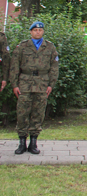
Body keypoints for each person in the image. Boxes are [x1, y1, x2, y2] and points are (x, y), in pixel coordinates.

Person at [9, 21, 58, 155]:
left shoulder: (50, 47)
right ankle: (22, 142)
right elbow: (14, 67)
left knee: (38, 113)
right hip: (25, 83)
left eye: (40, 30)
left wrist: (51, 85)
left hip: (42, 84)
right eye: (35, 30)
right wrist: (14, 85)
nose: (38, 32)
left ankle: (33, 143)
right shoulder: (22, 46)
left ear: (43, 32)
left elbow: (54, 67)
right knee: (22, 113)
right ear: (31, 32)